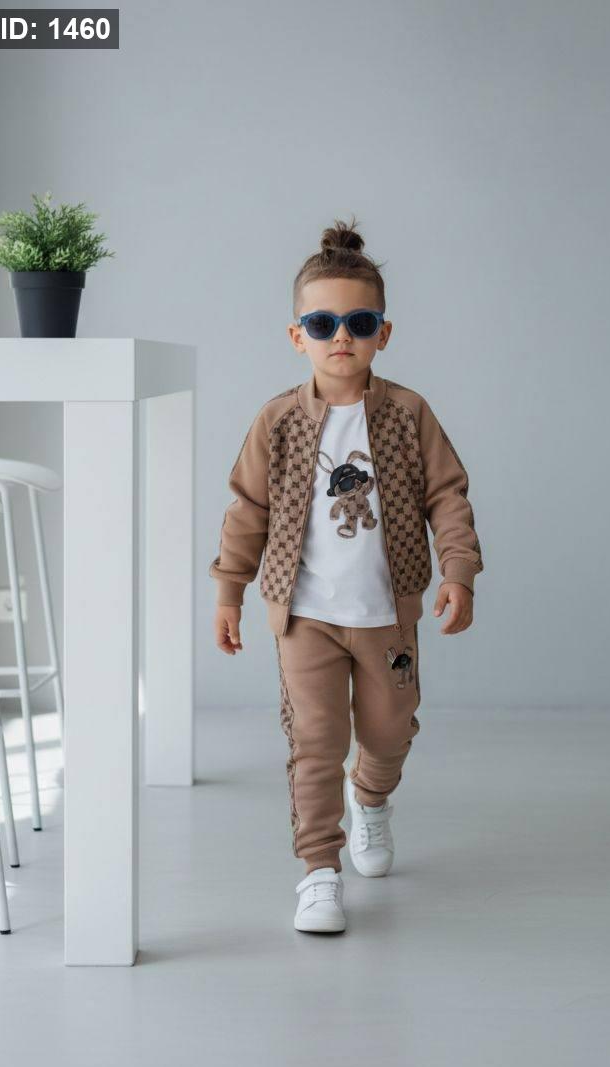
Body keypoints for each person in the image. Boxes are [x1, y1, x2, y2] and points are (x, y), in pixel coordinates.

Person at [210, 216, 483, 933]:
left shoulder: (408, 414)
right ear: (296, 334)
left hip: (386, 616)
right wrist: (229, 591)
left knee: (389, 733)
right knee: (314, 741)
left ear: (382, 333)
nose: (341, 336)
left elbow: (447, 494)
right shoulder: (277, 422)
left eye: (359, 323)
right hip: (304, 616)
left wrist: (458, 571)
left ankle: (371, 800)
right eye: (322, 323)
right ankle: (319, 871)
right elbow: (247, 508)